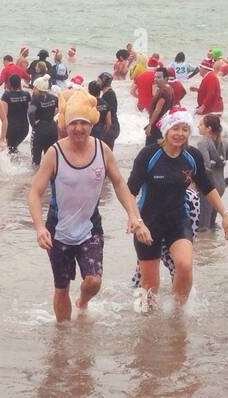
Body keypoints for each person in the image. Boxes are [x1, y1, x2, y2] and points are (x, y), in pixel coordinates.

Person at [26, 90, 149, 321]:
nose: (79, 129)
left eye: (84, 123)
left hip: (90, 228)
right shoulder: (55, 153)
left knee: (93, 281)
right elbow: (34, 193)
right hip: (58, 231)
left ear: (92, 123)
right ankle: (62, 339)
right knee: (61, 288)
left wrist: (134, 216)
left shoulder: (103, 150)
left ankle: (82, 301)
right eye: (74, 123)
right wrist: (40, 227)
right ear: (66, 125)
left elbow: (120, 184)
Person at [126, 108, 228, 307]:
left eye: (185, 129)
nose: (180, 134)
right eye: (175, 128)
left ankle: (178, 315)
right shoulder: (149, 155)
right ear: (166, 130)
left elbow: (207, 187)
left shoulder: (191, 156)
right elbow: (129, 191)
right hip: (149, 223)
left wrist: (225, 215)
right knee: (150, 284)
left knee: (184, 266)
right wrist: (136, 221)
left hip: (178, 220)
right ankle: (144, 325)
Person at [194, 113, 228, 231]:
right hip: (220, 187)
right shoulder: (224, 143)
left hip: (208, 189)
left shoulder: (203, 143)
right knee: (212, 224)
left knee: (202, 227)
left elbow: (205, 167)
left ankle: (206, 248)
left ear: (208, 128)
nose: (198, 127)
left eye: (200, 125)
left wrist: (193, 184)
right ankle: (215, 247)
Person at [28, 76, 59, 169]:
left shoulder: (35, 99)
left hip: (40, 128)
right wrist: (51, 115)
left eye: (34, 88)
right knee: (50, 156)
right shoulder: (54, 98)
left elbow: (30, 113)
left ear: (38, 88)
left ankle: (36, 178)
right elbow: (60, 108)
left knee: (36, 160)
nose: (33, 89)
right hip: (52, 128)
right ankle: (50, 177)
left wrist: (34, 124)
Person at [1, 74, 31, 155]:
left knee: (11, 151)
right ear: (19, 83)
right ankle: (19, 164)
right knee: (14, 148)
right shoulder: (27, 95)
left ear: (9, 83)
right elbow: (31, 112)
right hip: (24, 128)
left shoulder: (6, 96)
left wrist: (2, 137)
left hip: (11, 129)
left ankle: (13, 166)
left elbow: (4, 116)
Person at [145, 69, 174, 144]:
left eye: (158, 77)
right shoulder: (170, 88)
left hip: (157, 125)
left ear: (166, 78)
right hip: (163, 123)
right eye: (155, 77)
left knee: (150, 149)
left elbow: (157, 110)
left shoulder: (163, 92)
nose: (155, 79)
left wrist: (150, 125)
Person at [93, 72, 120, 146]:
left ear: (104, 82)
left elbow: (110, 113)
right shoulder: (107, 94)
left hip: (111, 127)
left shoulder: (109, 95)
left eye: (99, 81)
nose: (97, 83)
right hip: (112, 127)